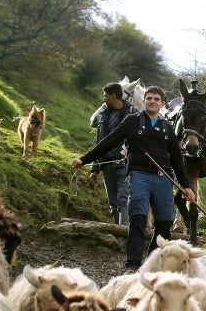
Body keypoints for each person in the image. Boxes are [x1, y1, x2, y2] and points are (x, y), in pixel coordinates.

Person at [73, 85, 196, 269]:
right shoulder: (132, 121)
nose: (153, 101)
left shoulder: (167, 127)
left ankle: (152, 263)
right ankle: (133, 263)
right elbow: (109, 141)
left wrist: (186, 186)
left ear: (162, 104)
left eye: (156, 99)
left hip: (163, 177)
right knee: (138, 217)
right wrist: (84, 159)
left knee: (164, 224)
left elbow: (177, 159)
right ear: (144, 101)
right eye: (149, 98)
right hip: (139, 175)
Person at [90, 82, 135, 225]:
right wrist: (95, 168)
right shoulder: (103, 116)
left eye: (105, 96)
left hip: (126, 164)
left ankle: (124, 232)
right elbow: (100, 142)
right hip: (107, 164)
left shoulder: (133, 113)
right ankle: (117, 230)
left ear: (113, 96)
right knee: (113, 200)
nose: (103, 99)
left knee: (124, 198)